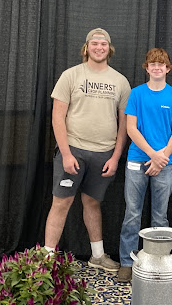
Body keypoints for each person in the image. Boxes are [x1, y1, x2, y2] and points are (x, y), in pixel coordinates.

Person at [44, 28, 131, 272]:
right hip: (73, 150)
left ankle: (98, 256)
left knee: (92, 203)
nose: (99, 47)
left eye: (103, 44)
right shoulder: (70, 76)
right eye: (95, 44)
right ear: (87, 48)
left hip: (104, 154)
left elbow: (124, 123)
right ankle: (46, 261)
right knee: (60, 203)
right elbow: (57, 117)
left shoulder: (120, 81)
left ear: (109, 49)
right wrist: (67, 154)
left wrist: (116, 157)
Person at [117, 48, 172, 283]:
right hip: (137, 159)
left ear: (168, 68)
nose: (157, 68)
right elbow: (131, 129)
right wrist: (152, 155)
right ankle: (127, 262)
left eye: (161, 64)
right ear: (146, 68)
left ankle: (158, 261)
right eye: (152, 64)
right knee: (132, 214)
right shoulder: (136, 94)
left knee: (160, 216)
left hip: (165, 163)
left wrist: (162, 157)